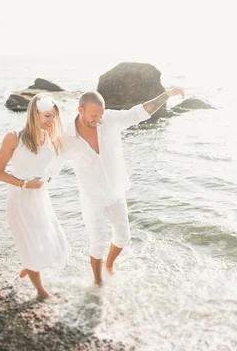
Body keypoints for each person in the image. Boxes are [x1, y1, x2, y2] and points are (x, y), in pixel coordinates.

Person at [47, 88, 184, 287]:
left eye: (100, 115)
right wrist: (29, 189)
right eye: (94, 116)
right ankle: (98, 282)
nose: (98, 120)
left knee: (123, 237)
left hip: (116, 191)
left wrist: (166, 95)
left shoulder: (109, 120)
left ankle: (109, 265)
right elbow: (51, 170)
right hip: (92, 198)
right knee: (98, 241)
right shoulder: (66, 138)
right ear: (80, 110)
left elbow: (139, 113)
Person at [0, 93, 69, 299]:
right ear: (34, 114)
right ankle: (41, 292)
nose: (51, 121)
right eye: (47, 116)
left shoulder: (50, 138)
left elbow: (55, 165)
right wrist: (25, 184)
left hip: (41, 198)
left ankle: (29, 265)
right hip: (19, 200)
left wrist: (46, 181)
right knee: (31, 244)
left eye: (53, 116)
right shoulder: (13, 138)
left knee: (54, 241)